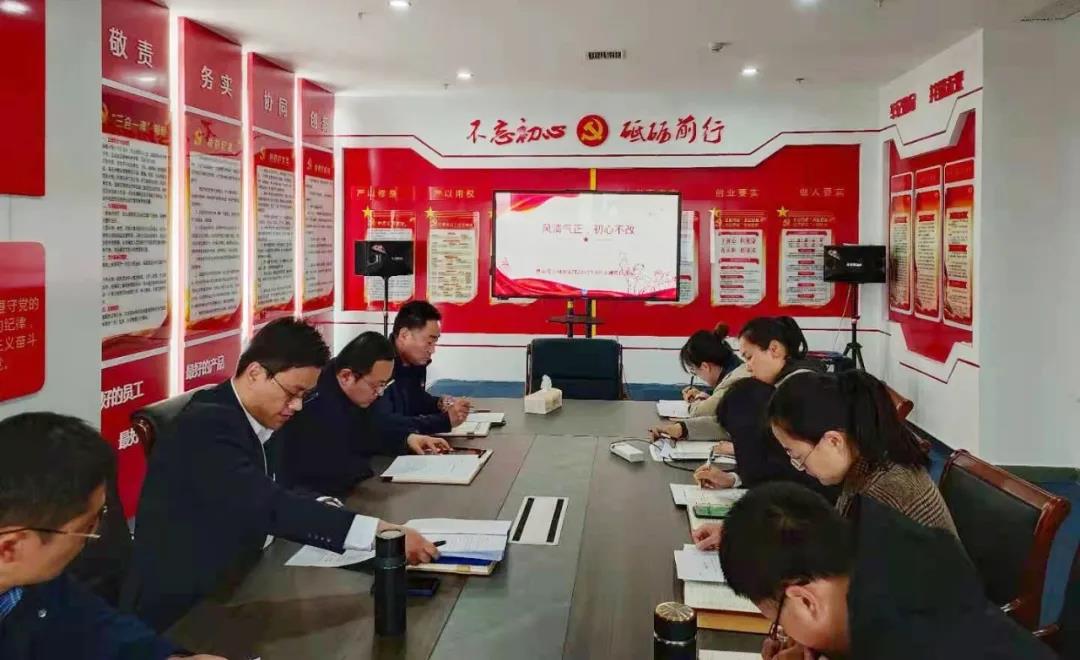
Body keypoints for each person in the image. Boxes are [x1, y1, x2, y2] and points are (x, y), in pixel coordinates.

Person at [130, 318, 440, 632]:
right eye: (293, 392)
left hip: (248, 575)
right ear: (255, 373)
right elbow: (268, 505)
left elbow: (279, 484)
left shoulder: (259, 416)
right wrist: (378, 532)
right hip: (192, 606)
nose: (297, 406)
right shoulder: (207, 425)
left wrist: (321, 504)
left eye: (304, 395)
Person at [718, 482, 1056, 660]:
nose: (784, 636)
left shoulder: (911, 644)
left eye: (778, 623)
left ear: (805, 600)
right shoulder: (890, 556)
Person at [0, 412, 223, 660]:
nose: (95, 533)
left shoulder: (39, 579)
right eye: (86, 526)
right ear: (9, 548)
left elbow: (93, 625)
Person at [691, 316, 832, 551]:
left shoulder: (797, 393)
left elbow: (793, 479)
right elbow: (776, 467)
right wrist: (734, 479)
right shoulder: (784, 385)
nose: (747, 367)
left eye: (749, 357)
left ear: (774, 349)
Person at [767, 369, 957, 535]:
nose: (801, 467)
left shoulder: (878, 497)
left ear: (834, 441)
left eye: (798, 457)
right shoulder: (874, 459)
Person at [275, 331, 451, 497]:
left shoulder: (353, 390)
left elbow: (374, 427)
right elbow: (340, 467)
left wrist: (407, 439)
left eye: (384, 385)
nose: (380, 393)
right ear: (346, 377)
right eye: (376, 386)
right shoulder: (316, 406)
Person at [373, 300, 470, 436]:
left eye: (434, 343)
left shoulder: (415, 363)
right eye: (429, 342)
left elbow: (415, 400)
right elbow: (388, 424)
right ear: (404, 335)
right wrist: (444, 421)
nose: (432, 350)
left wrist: (439, 404)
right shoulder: (379, 365)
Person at [648, 324, 750, 449]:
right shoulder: (735, 371)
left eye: (695, 371)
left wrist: (694, 399)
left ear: (705, 366)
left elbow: (700, 412)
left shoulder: (736, 381)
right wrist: (682, 428)